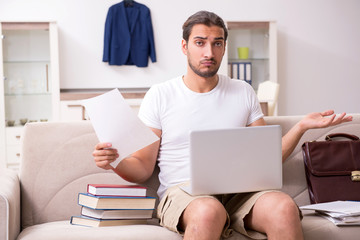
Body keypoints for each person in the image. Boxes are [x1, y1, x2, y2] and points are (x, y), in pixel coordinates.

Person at [93, 11, 352, 240]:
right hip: (185, 193)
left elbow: (266, 158)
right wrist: (115, 161)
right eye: (200, 43)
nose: (209, 52)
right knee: (208, 211)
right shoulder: (161, 95)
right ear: (184, 47)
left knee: (283, 208)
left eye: (217, 43)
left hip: (241, 193)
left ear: (224, 47)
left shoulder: (242, 91)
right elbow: (143, 168)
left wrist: (301, 127)